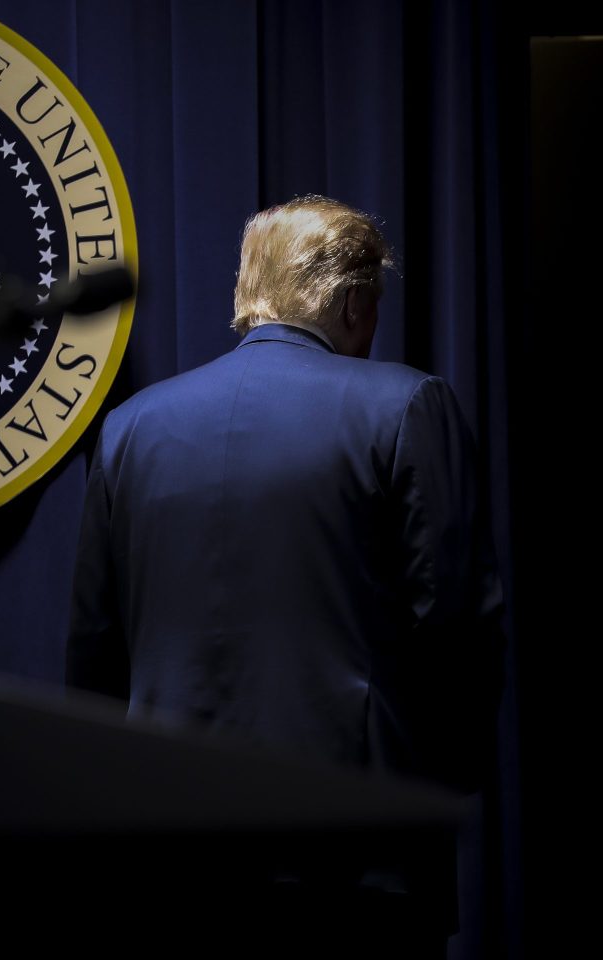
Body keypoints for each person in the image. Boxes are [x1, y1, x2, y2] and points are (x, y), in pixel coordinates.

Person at [67, 195, 504, 955]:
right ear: (355, 304)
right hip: (356, 852)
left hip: (168, 856)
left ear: (248, 293)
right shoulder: (406, 406)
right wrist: (439, 788)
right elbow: (455, 626)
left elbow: (94, 652)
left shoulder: (130, 428)